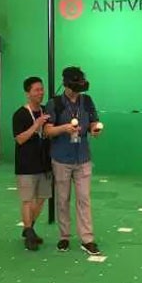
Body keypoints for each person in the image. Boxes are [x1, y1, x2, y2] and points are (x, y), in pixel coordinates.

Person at [44, 66, 102, 256]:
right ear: (66, 84)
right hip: (61, 157)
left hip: (83, 157)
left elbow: (93, 121)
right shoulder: (54, 103)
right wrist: (64, 128)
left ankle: (87, 239)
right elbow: (47, 130)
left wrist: (94, 129)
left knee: (84, 198)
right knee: (62, 199)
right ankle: (64, 237)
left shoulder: (87, 101)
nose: (77, 90)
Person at [12, 76, 52, 251]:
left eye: (42, 89)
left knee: (42, 198)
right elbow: (20, 139)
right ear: (28, 93)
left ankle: (29, 228)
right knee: (27, 199)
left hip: (45, 162)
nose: (40, 93)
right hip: (26, 164)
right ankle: (29, 233)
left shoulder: (46, 111)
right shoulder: (20, 114)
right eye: (36, 90)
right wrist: (36, 125)